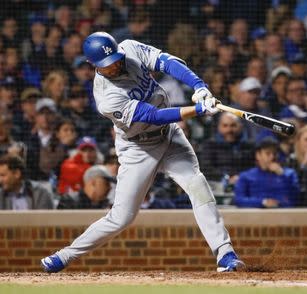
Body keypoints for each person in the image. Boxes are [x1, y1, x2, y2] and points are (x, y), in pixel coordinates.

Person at [41, 32, 244, 273]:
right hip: (137, 148)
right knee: (121, 217)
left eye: (115, 58)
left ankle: (225, 254)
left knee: (197, 184)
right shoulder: (106, 96)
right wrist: (197, 109)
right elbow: (152, 116)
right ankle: (65, 256)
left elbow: (168, 63)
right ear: (92, 65)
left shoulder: (129, 49)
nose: (115, 65)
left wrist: (199, 86)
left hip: (169, 136)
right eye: (107, 65)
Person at [234, 137, 300, 208]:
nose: (272, 157)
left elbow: (296, 198)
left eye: (274, 153)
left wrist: (282, 175)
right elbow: (239, 200)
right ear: (258, 155)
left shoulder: (289, 174)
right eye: (268, 153)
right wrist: (263, 202)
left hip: (284, 215)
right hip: (256, 216)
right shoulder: (246, 176)